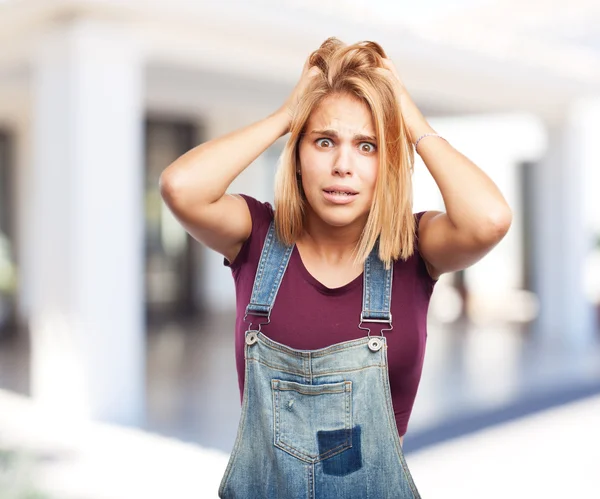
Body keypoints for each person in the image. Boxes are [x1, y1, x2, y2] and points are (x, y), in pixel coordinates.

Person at [160, 37, 512, 499]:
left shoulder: (411, 247)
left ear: (386, 163)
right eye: (324, 140)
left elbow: (489, 219)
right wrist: (287, 115)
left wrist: (406, 116)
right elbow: (180, 186)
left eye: (367, 146)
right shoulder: (256, 235)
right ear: (299, 157)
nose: (343, 165)